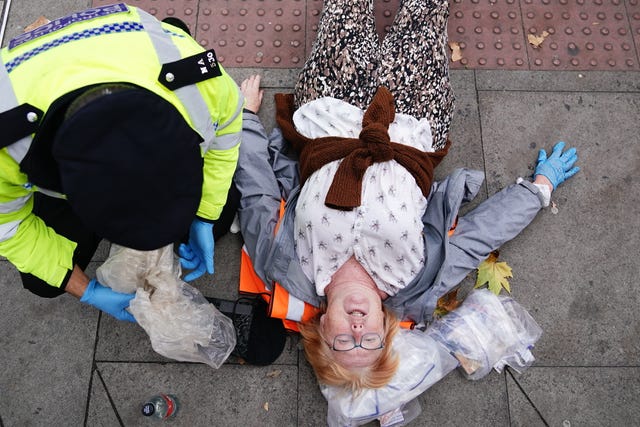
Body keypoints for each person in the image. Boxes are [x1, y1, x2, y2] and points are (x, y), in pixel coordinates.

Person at [236, 0, 580, 390]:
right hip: (413, 123)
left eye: (343, 341)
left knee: (343, 10)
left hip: (329, 112)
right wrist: (538, 190)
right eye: (370, 340)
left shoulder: (284, 265)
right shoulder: (417, 282)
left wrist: (246, 120)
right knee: (425, 13)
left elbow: (256, 193)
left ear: (319, 328)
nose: (357, 328)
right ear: (386, 328)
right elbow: (477, 238)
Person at [0, 5, 243, 322]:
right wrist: (86, 290)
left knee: (225, 211)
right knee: (42, 282)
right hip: (34, 78)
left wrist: (206, 214)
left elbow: (226, 132)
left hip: (136, 51)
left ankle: (173, 26)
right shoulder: (8, 146)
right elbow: (9, 227)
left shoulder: (198, 85)